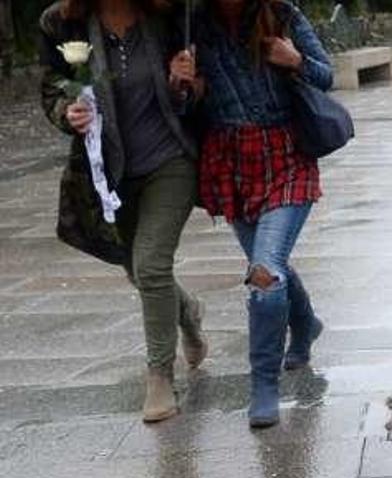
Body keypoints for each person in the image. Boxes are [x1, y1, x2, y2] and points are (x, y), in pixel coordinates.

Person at [38, 0, 207, 423]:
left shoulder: (172, 16)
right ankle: (187, 314)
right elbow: (52, 87)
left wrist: (185, 83)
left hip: (170, 161)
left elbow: (202, 89)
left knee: (150, 266)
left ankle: (159, 376)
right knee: (138, 270)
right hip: (110, 173)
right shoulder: (63, 24)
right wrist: (66, 111)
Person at [195, 0, 330, 428]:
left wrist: (296, 61)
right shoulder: (193, 24)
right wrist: (184, 87)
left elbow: (325, 77)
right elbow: (182, 108)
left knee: (266, 273)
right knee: (270, 264)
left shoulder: (282, 14)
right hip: (230, 164)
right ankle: (305, 323)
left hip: (286, 157)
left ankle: (264, 385)